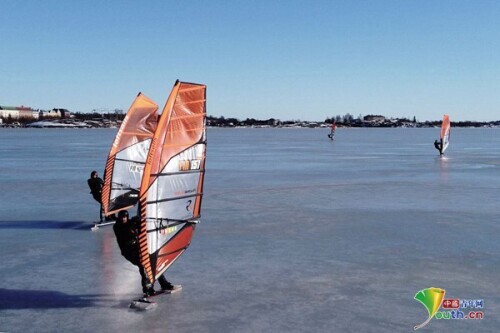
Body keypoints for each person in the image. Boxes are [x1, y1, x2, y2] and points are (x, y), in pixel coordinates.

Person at [113, 210, 175, 296]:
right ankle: (147, 288)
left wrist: (139, 221)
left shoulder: (130, 222)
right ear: (119, 218)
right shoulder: (117, 226)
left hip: (137, 248)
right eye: (122, 217)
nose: (124, 219)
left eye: (125, 217)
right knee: (143, 265)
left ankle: (163, 283)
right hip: (128, 251)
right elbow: (125, 231)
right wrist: (133, 223)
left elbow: (138, 226)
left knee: (153, 262)